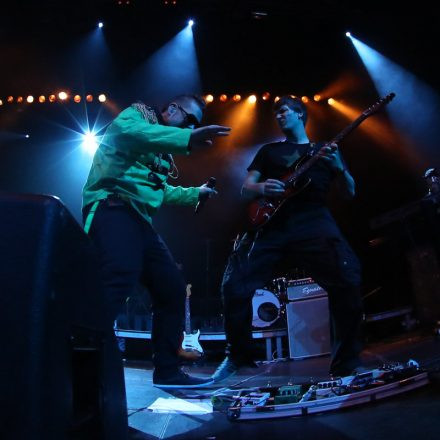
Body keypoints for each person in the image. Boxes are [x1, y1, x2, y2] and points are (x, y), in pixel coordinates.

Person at [82, 94, 230, 388]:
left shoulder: (163, 153)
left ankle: (167, 371)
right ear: (172, 109)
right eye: (189, 120)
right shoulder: (136, 115)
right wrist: (187, 137)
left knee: (172, 290)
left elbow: (161, 192)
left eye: (194, 124)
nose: (191, 126)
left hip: (139, 220)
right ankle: (78, 361)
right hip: (111, 204)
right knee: (118, 275)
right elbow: (129, 135)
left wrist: (194, 193)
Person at [212, 95, 364, 381]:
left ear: (300, 115)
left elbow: (350, 191)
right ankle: (238, 358)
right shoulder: (269, 152)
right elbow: (246, 190)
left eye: (284, 111)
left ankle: (347, 363)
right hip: (274, 228)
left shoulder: (325, 150)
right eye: (276, 113)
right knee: (235, 284)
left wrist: (339, 167)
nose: (279, 116)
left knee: (348, 280)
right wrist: (262, 187)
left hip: (314, 223)